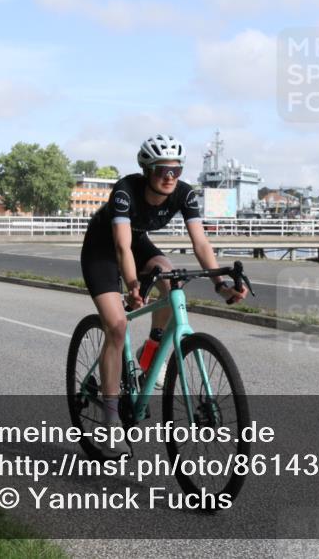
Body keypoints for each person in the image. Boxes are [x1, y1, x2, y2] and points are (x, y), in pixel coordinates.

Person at [80, 134, 248, 450]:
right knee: (117, 327)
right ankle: (111, 422)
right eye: (161, 170)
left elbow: (200, 243)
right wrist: (132, 286)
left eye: (176, 170)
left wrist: (219, 283)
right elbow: (120, 245)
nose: (169, 177)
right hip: (102, 250)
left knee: (169, 275)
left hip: (136, 243)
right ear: (147, 170)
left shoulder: (184, 195)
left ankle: (151, 352)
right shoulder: (125, 191)